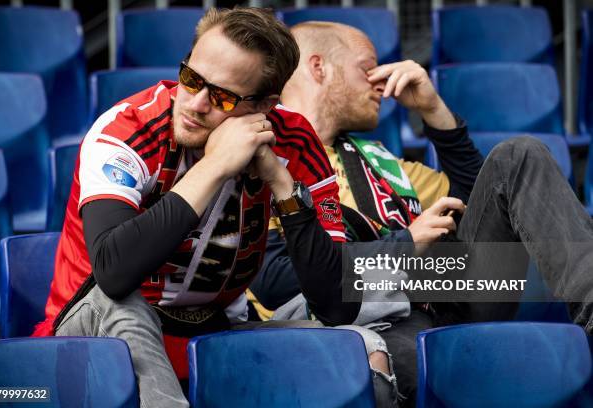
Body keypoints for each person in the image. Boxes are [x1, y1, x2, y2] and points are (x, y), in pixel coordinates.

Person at [32, 9, 399, 408]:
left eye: (222, 96)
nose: (196, 104)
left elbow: (335, 305)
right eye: (191, 79)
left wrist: (281, 185)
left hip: (213, 328)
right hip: (92, 329)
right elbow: (114, 273)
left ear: (265, 105)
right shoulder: (127, 130)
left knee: (362, 351)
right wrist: (214, 166)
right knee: (123, 305)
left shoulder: (293, 144)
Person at [248, 21, 593, 407]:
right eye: (368, 69)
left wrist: (433, 110)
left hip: (444, 291)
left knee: (519, 156)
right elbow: (276, 279)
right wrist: (405, 247)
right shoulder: (266, 158)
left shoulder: (380, 160)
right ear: (318, 67)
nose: (380, 84)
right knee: (457, 371)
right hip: (355, 320)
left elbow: (495, 203)